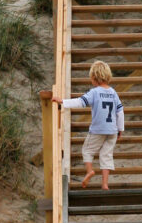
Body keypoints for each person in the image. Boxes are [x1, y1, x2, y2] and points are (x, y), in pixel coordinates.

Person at [52, 60, 124, 190]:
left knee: (87, 150)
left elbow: (80, 102)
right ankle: (105, 184)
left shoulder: (94, 92)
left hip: (98, 130)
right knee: (106, 155)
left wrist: (63, 101)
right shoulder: (114, 93)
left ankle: (89, 171)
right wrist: (120, 129)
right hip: (112, 130)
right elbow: (120, 111)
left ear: (94, 78)